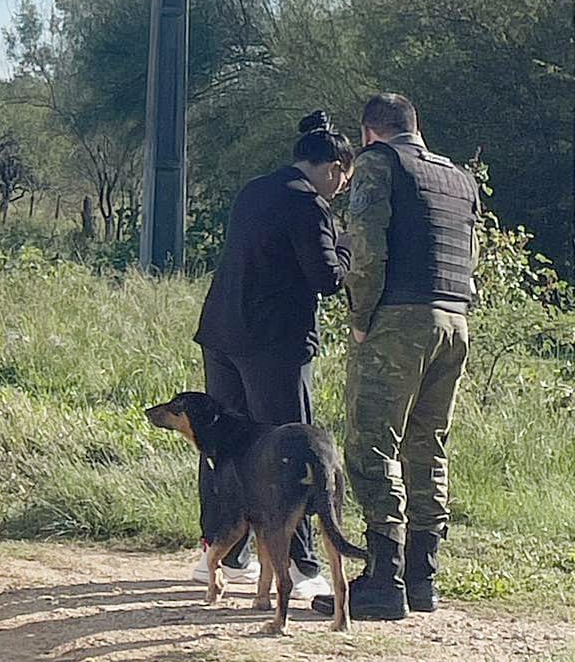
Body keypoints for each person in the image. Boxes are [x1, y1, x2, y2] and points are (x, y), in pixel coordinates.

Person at [313, 92, 478, 622]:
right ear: (415, 125)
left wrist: (360, 317)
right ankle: (423, 578)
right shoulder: (456, 176)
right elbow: (469, 255)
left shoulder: (379, 164)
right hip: (455, 320)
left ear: (368, 132)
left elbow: (366, 247)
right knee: (428, 444)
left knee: (371, 443)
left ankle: (384, 580)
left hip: (399, 319)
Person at [191, 111, 355, 598]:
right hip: (274, 346)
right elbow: (326, 278)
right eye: (343, 177)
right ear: (331, 167)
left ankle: (220, 553)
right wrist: (346, 244)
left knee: (227, 450)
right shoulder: (310, 205)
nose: (341, 187)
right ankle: (303, 565)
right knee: (290, 452)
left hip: (222, 334)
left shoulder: (253, 190)